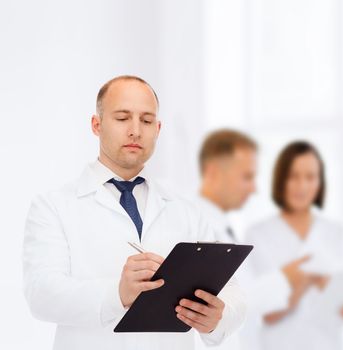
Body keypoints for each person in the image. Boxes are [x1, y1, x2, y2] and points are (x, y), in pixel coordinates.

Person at [23, 75, 246, 350]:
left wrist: (217, 318)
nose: (135, 131)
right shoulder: (53, 206)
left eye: (147, 120)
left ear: (158, 128)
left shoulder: (186, 211)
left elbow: (232, 290)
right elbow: (42, 295)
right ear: (97, 124)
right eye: (122, 118)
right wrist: (117, 294)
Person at [242, 141, 343, 350]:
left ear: (320, 182)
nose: (302, 186)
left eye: (310, 177)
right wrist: (306, 280)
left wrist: (324, 285)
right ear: (281, 179)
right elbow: (267, 314)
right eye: (293, 176)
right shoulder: (258, 235)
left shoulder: (340, 235)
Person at [194, 129, 291, 350]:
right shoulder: (196, 226)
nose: (254, 188)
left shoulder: (224, 226)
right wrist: (286, 279)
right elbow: (236, 299)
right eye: (246, 177)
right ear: (213, 173)